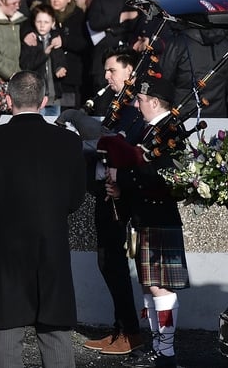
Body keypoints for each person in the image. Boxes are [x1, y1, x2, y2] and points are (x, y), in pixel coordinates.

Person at [0, 70, 86, 368]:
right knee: (55, 331)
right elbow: (75, 200)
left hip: (6, 249)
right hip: (51, 245)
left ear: (7, 100)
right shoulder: (69, 142)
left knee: (8, 331)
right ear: (44, 101)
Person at [103, 74, 190, 368]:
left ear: (154, 101)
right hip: (143, 217)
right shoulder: (148, 129)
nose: (136, 105)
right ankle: (157, 345)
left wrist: (121, 177)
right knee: (148, 286)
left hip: (159, 216)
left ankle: (166, 351)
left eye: (140, 100)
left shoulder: (171, 131)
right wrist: (119, 187)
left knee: (160, 287)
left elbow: (161, 175)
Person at [78, 46, 146, 356]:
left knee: (114, 263)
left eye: (112, 71)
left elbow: (123, 148)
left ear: (130, 73)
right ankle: (122, 327)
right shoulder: (119, 106)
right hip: (106, 191)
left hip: (120, 196)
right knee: (108, 262)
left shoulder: (135, 110)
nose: (106, 76)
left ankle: (130, 331)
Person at [87, 0, 152, 96]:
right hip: (106, 54)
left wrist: (111, 26)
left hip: (132, 53)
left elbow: (145, 19)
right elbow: (95, 22)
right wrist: (121, 17)